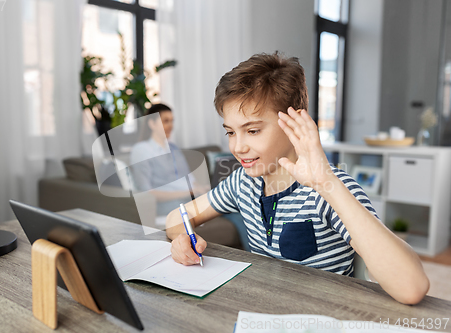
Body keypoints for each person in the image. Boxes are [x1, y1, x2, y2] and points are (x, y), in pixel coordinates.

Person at [165, 52, 429, 305]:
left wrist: (327, 183)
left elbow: (412, 287)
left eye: (253, 130)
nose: (238, 147)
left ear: (294, 123)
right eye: (231, 133)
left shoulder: (330, 188)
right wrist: (183, 239)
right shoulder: (241, 183)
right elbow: (176, 219)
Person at [130, 103, 206, 216]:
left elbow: (189, 178)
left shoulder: (174, 148)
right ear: (152, 124)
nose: (171, 125)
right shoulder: (141, 150)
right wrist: (188, 193)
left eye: (172, 121)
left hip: (189, 197)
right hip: (167, 204)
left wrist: (202, 190)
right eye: (166, 121)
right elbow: (146, 192)